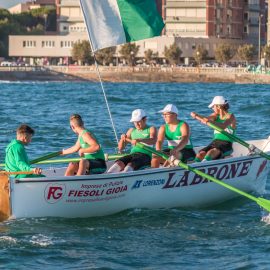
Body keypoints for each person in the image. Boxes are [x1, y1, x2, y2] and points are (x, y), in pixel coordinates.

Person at [190, 95, 236, 162]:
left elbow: (223, 126)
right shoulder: (215, 115)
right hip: (215, 143)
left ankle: (203, 164)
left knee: (211, 152)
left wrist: (209, 122)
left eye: (213, 107)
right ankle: (194, 166)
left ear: (218, 106)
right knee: (200, 154)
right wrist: (196, 115)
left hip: (226, 144)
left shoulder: (231, 116)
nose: (212, 109)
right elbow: (206, 119)